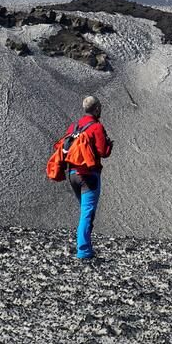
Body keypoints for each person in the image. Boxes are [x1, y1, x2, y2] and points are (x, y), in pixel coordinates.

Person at [66, 95, 113, 260]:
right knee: (87, 213)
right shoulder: (97, 127)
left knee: (85, 212)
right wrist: (109, 145)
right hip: (89, 175)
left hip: (72, 174)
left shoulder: (74, 127)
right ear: (97, 109)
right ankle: (84, 251)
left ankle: (85, 247)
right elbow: (103, 152)